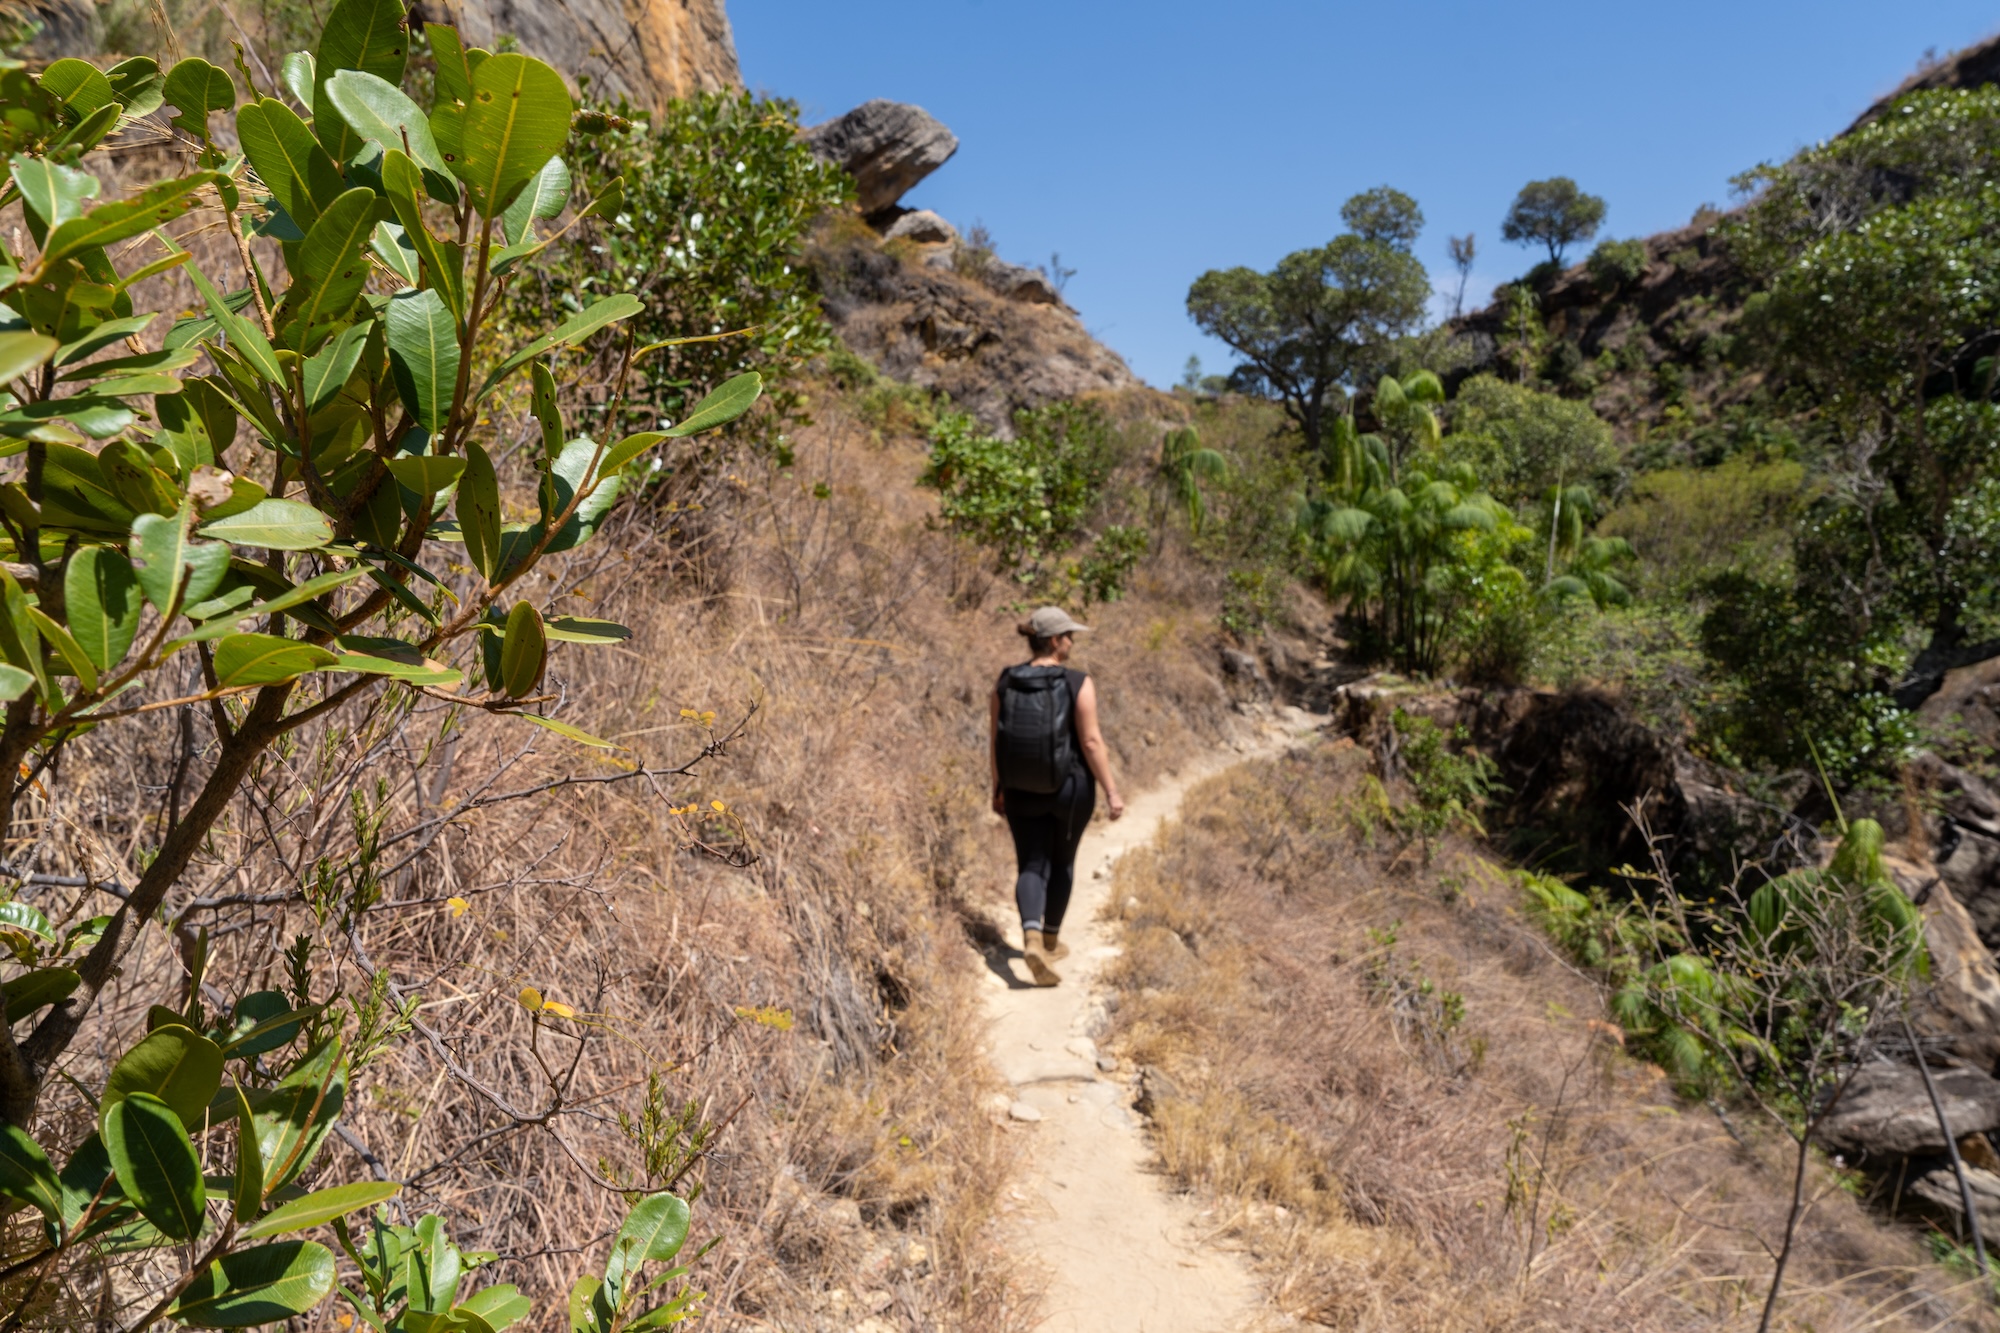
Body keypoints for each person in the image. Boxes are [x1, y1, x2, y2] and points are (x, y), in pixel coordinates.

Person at [989, 605, 1125, 986]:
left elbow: (995, 739)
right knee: (1062, 862)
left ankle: (1030, 934)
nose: (1071, 642)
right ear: (1053, 640)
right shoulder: (1077, 682)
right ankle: (1049, 941)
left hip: (1018, 788)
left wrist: (997, 788)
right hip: (1071, 789)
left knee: (1031, 864)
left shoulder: (1005, 681)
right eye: (1069, 636)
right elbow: (1091, 740)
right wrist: (1112, 791)